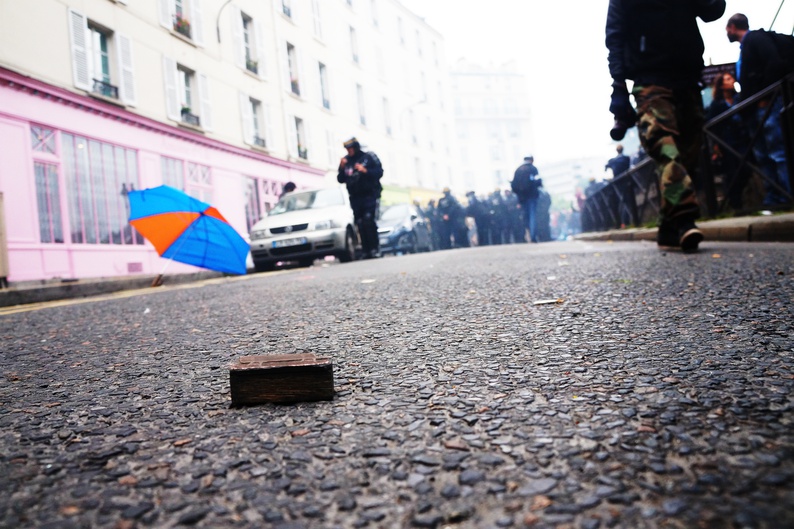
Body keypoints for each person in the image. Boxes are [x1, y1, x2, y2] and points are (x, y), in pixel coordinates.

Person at [606, 0, 726, 252]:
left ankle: (669, 227)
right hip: (649, 80)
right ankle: (684, 218)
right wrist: (618, 87)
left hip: (687, 77)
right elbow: (614, 38)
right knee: (665, 146)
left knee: (688, 154)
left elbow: (713, 10)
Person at [725, 13, 793, 206]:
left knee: (776, 151)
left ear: (732, 27)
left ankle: (786, 194)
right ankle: (776, 196)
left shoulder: (755, 38)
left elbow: (774, 63)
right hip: (755, 111)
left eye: (726, 30)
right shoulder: (746, 46)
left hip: (766, 107)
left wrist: (764, 96)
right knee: (764, 155)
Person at [705, 71, 752, 211]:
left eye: (731, 78)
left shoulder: (739, 98)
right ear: (721, 85)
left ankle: (737, 200)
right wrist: (716, 146)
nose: (732, 80)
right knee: (732, 173)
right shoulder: (716, 104)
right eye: (728, 79)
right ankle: (735, 203)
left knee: (746, 170)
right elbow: (712, 126)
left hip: (743, 139)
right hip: (727, 143)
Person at [337, 137, 384, 259]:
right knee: (360, 223)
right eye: (347, 149)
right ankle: (365, 250)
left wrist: (365, 170)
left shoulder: (368, 157)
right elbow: (340, 179)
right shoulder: (346, 161)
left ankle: (375, 248)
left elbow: (379, 172)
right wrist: (341, 167)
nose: (349, 151)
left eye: (351, 148)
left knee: (369, 221)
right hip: (355, 197)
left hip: (369, 194)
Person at [510, 156, 543, 243]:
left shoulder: (518, 170)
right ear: (532, 160)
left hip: (522, 198)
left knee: (526, 217)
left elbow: (513, 186)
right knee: (532, 216)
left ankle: (527, 233)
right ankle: (533, 236)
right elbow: (538, 182)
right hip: (532, 197)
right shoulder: (533, 169)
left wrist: (519, 196)